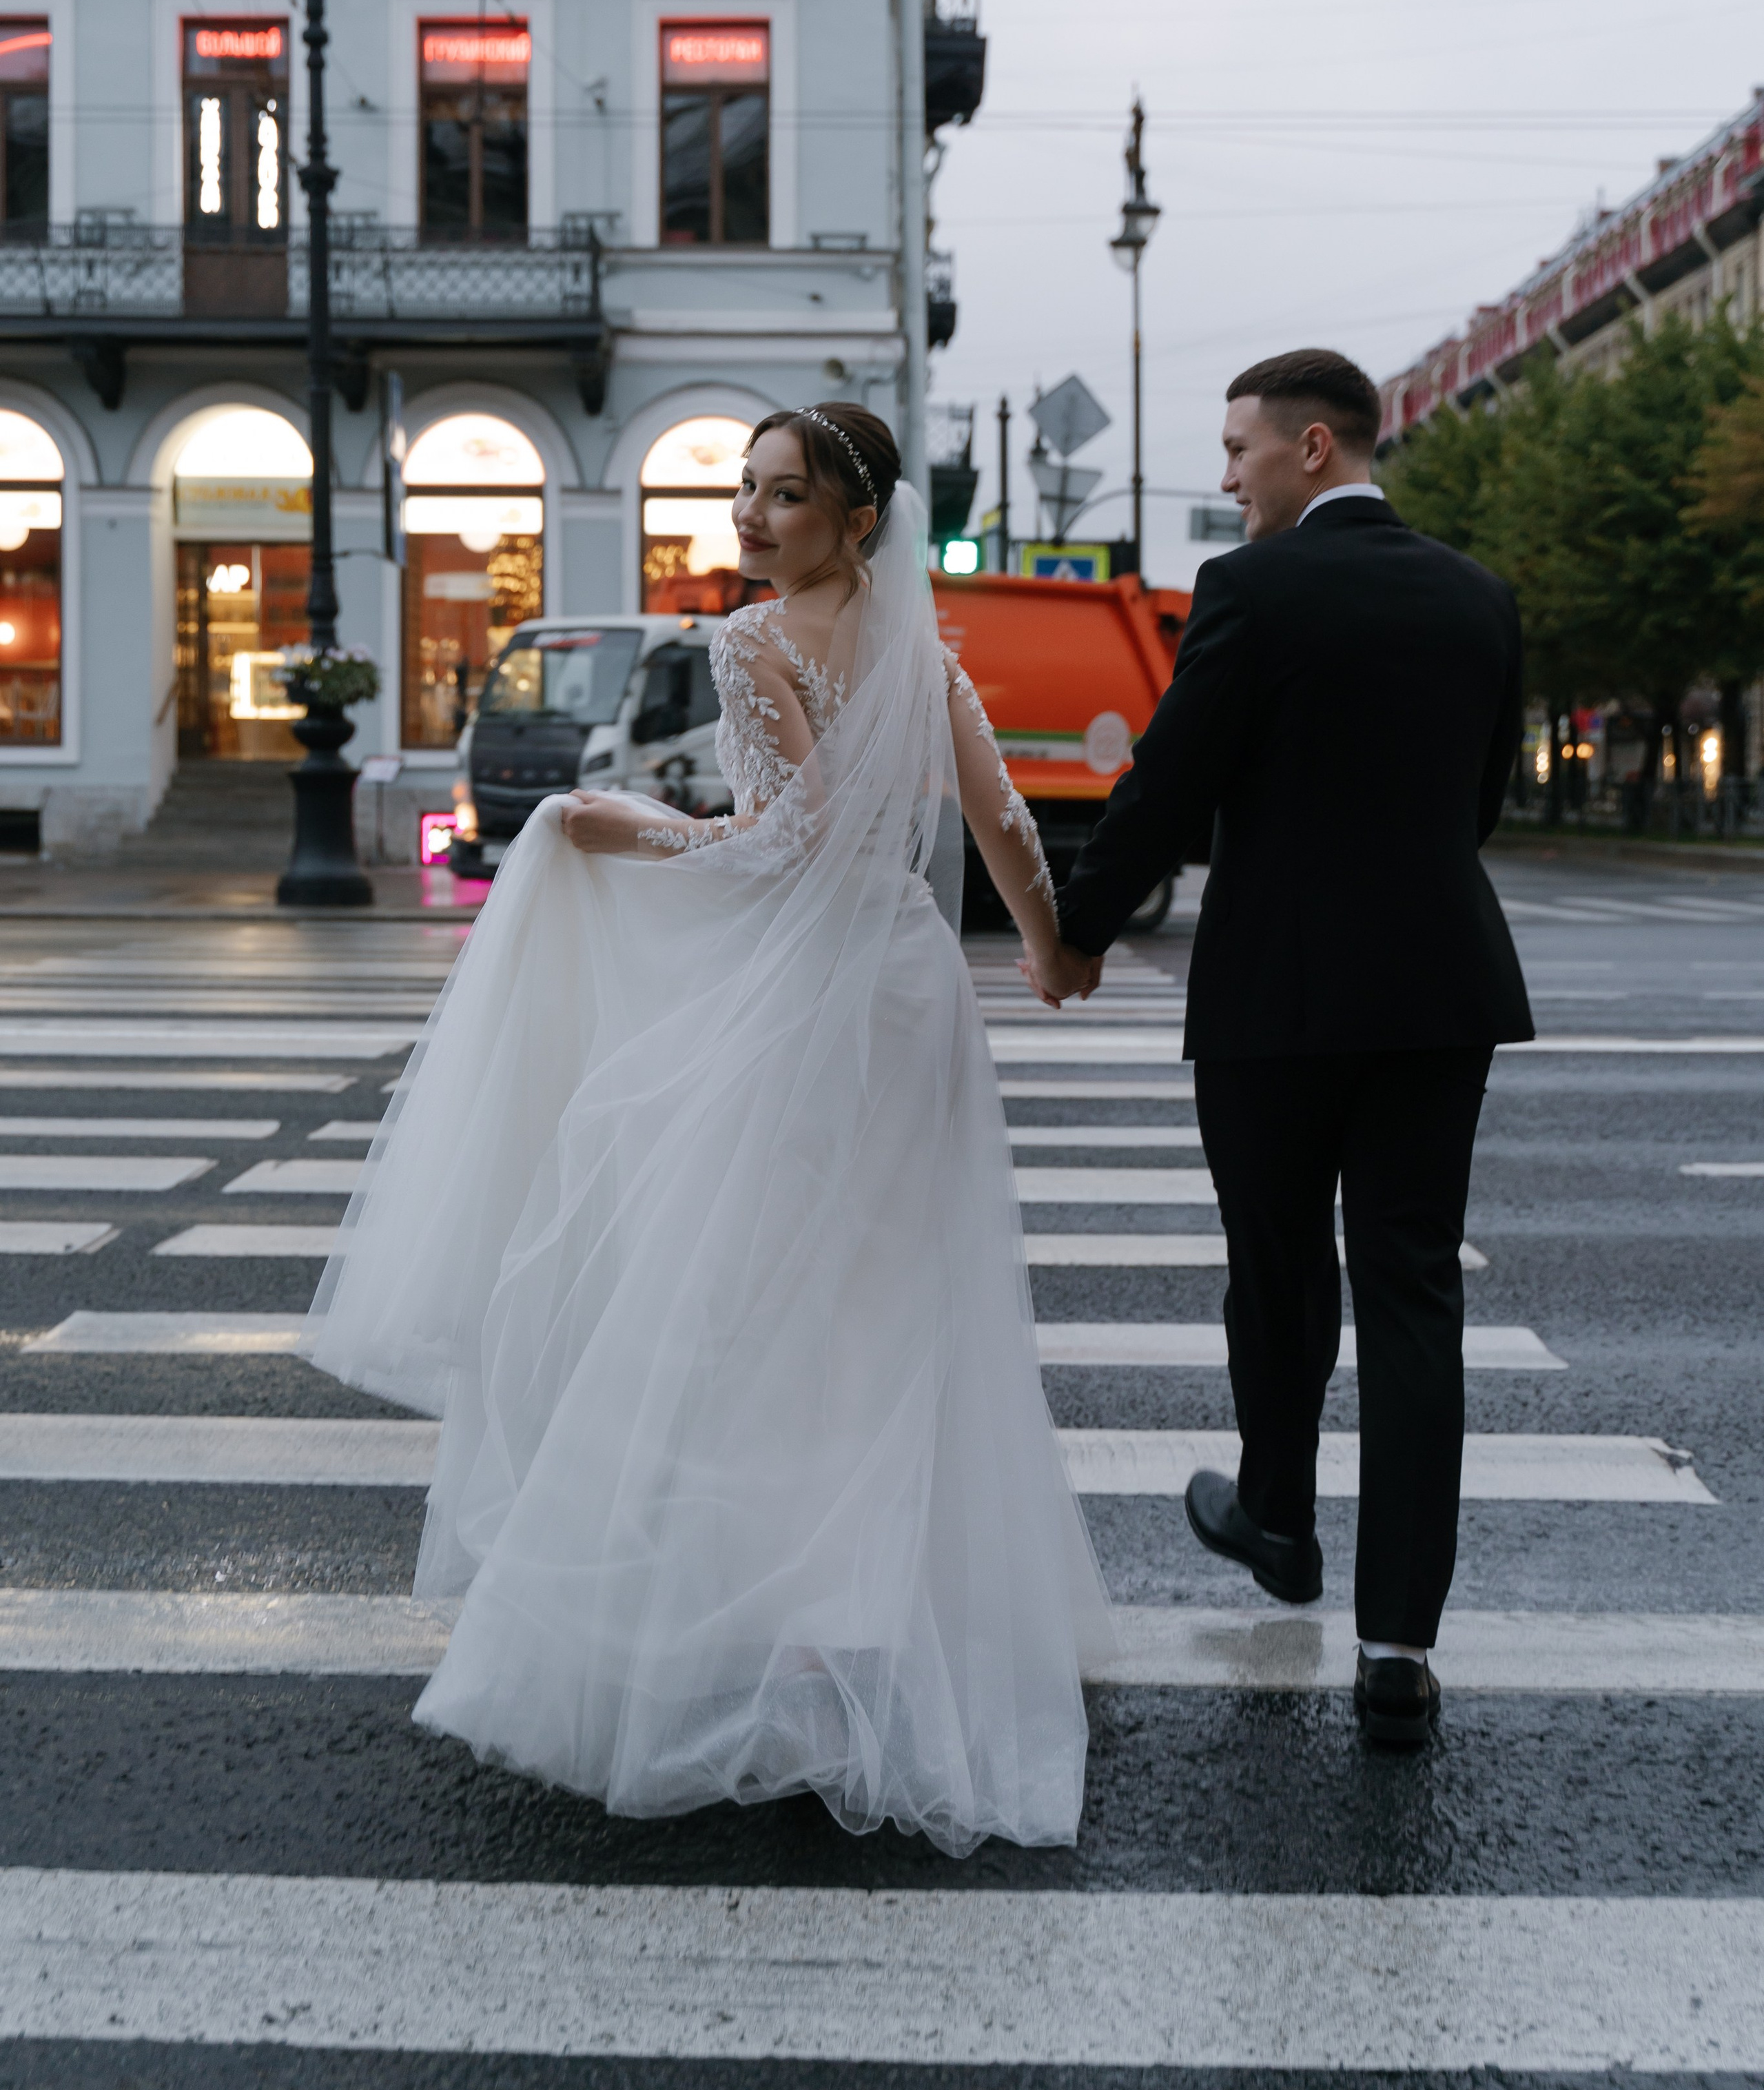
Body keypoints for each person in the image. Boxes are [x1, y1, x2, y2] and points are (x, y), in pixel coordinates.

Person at [304, 403, 1114, 1854]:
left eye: (782, 497)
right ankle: (865, 1609)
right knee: (883, 1300)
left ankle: (767, 1615)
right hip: (912, 985)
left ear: (853, 519)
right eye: (744, 490)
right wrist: (1051, 950)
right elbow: (997, 817)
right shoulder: (922, 652)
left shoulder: (750, 645)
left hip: (810, 998)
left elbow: (783, 843)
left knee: (740, 1295)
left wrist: (611, 822)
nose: (748, 517)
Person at [1028, 349, 1532, 1745]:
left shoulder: (1250, 590)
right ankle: (1394, 1651)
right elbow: (1475, 805)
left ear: (1313, 449)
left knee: (1276, 1266)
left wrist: (1071, 929)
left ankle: (1276, 1518)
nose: (1228, 471)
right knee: (1414, 1295)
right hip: (1441, 993)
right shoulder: (1477, 596)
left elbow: (1166, 783)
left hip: (1274, 1000)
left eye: (1240, 446)